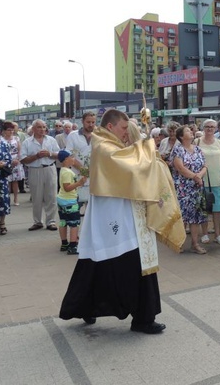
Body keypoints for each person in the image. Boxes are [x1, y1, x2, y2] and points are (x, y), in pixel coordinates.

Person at [59, 109, 185, 334]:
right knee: (119, 264)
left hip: (124, 215)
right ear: (111, 127)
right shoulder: (104, 147)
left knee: (109, 264)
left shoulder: (113, 145)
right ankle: (139, 318)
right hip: (114, 218)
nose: (126, 133)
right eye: (124, 128)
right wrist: (147, 147)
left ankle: (102, 309)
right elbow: (131, 166)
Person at [169, 125, 209, 254]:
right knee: (182, 216)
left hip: (196, 188)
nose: (191, 132)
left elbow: (204, 166)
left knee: (195, 216)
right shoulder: (178, 150)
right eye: (187, 131)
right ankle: (179, 242)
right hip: (183, 188)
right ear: (181, 136)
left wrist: (199, 176)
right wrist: (195, 176)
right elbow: (180, 168)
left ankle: (195, 244)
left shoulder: (198, 149)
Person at [20, 119, 60, 231]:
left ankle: (51, 221)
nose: (42, 129)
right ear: (33, 129)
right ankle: (37, 221)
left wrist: (50, 154)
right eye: (39, 127)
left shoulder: (51, 140)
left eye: (44, 127)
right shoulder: (27, 142)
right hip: (35, 170)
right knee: (36, 197)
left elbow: (59, 154)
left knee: (51, 196)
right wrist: (36, 156)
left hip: (49, 169)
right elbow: (23, 159)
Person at [195, 119, 220, 245]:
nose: (209, 129)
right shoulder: (197, 142)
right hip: (201, 181)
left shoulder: (219, 143)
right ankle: (204, 234)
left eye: (212, 127)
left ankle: (218, 234)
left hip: (216, 180)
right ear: (203, 128)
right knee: (203, 209)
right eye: (207, 126)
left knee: (217, 209)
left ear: (216, 129)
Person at [56, 150, 86, 255]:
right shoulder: (67, 172)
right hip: (69, 201)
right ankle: (73, 245)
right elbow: (67, 187)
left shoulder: (63, 170)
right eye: (71, 157)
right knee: (74, 223)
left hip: (62, 200)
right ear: (66, 159)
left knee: (63, 221)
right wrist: (78, 183)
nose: (73, 159)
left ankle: (64, 243)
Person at [1, 121, 24, 207]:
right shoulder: (1, 140)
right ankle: (7, 199)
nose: (11, 132)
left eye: (12, 130)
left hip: (15, 160)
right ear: (4, 131)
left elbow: (20, 150)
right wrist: (8, 161)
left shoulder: (16, 138)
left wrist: (18, 159)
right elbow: (1, 151)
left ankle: (16, 198)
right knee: (7, 181)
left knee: (15, 181)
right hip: (5, 161)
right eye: (9, 130)